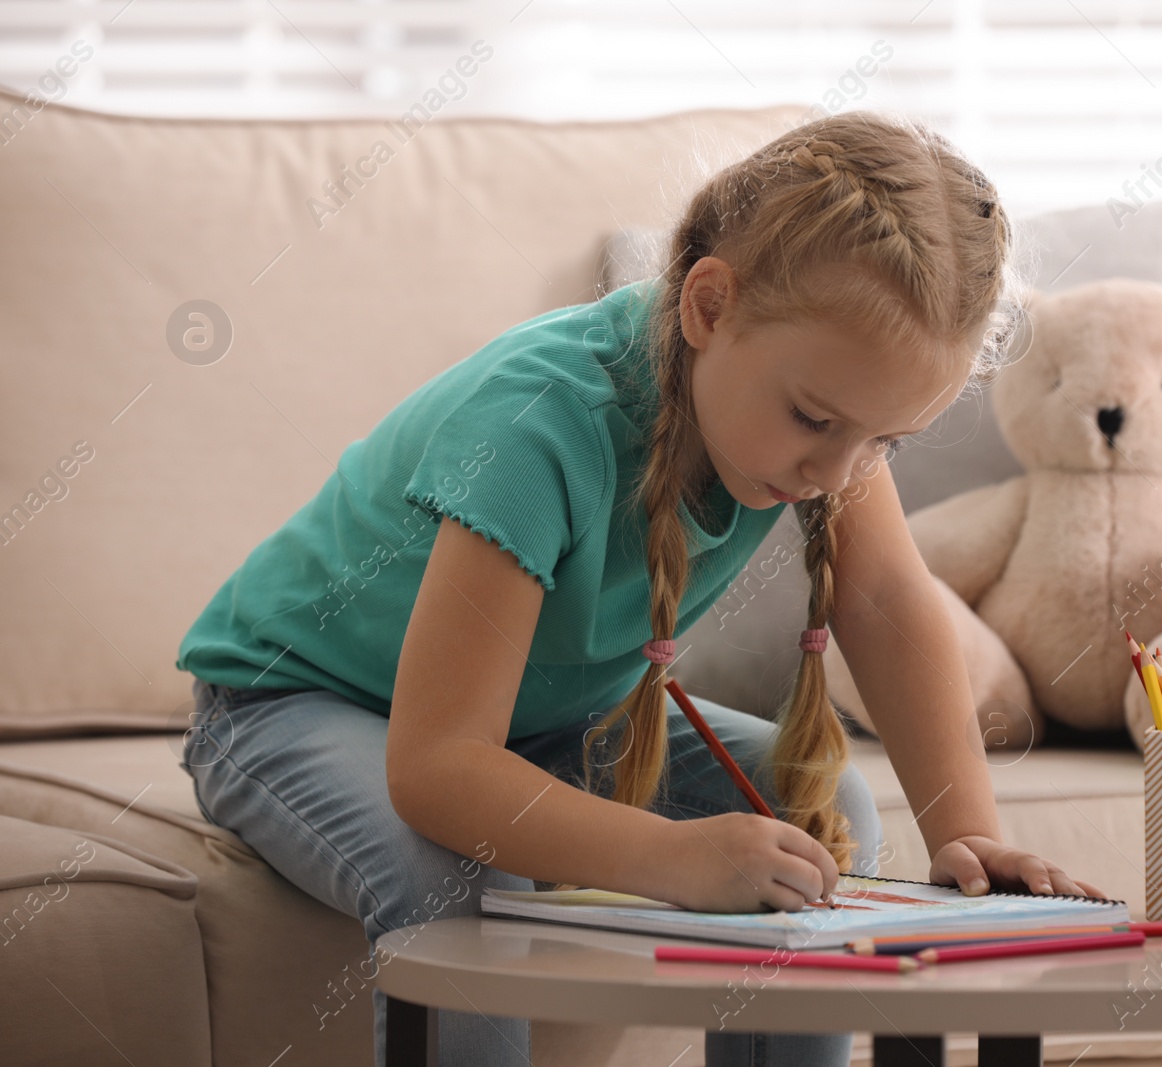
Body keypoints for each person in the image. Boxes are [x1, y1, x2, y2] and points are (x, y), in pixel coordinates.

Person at [175, 108, 1104, 1067]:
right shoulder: (535, 428)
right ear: (709, 306)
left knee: (823, 811)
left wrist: (969, 834)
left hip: (543, 727)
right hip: (290, 704)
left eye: (883, 442)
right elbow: (438, 767)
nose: (841, 472)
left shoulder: (826, 437)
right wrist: (671, 857)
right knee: (449, 872)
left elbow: (884, 605)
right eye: (816, 419)